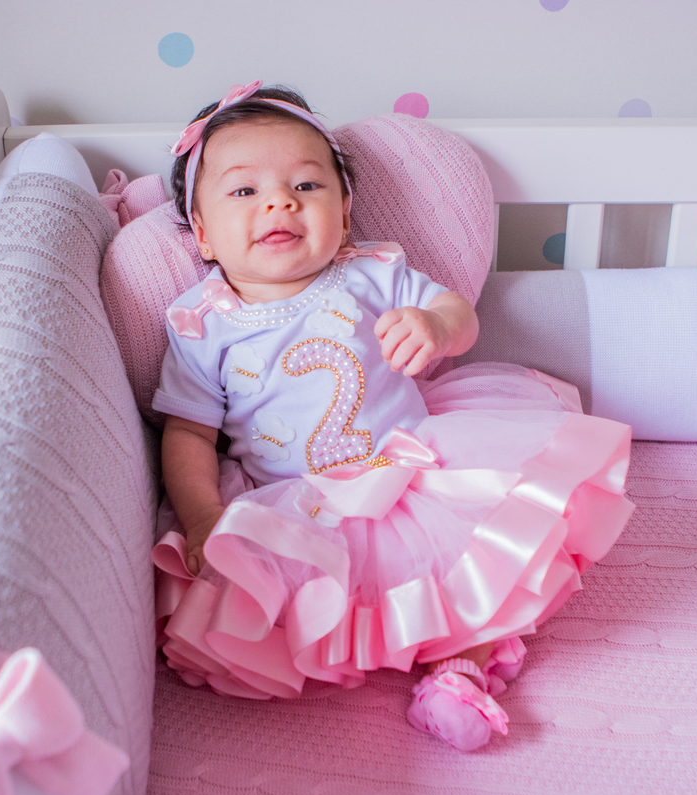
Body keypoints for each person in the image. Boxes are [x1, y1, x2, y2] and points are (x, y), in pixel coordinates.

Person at [150, 81, 634, 751]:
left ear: (345, 213)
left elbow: (457, 312)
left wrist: (437, 326)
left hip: (409, 469)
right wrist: (205, 517)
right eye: (244, 190)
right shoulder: (203, 323)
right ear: (203, 233)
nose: (280, 201)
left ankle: (460, 669)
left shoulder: (371, 273)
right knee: (275, 597)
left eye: (307, 185)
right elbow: (188, 433)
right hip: (293, 502)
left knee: (475, 559)